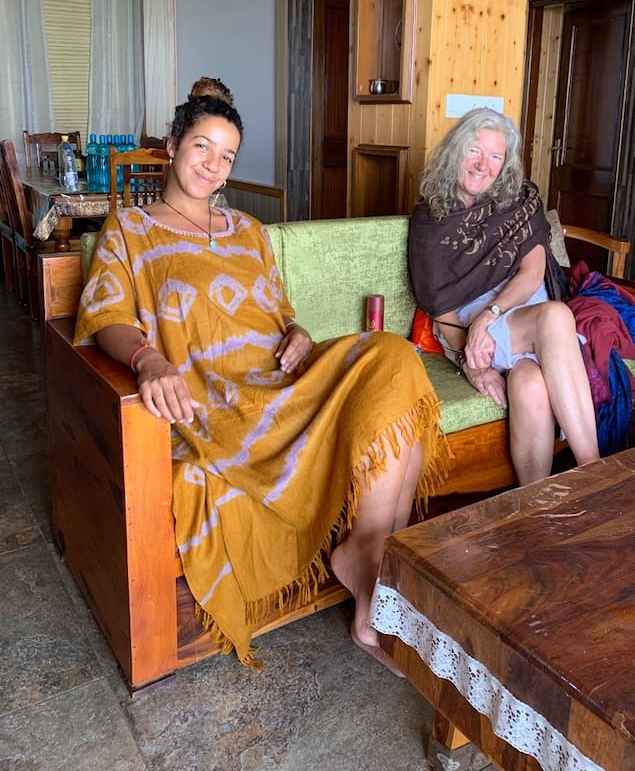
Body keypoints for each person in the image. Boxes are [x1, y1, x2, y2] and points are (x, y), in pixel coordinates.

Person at [75, 94, 448, 671]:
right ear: (172, 146)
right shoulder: (130, 230)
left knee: (394, 357)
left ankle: (364, 551)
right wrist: (148, 360)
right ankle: (371, 579)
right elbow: (108, 318)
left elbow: (278, 313)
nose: (213, 164)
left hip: (284, 377)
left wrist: (298, 332)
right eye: (202, 146)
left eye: (226, 156)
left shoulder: (249, 230)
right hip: (216, 395)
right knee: (388, 377)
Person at [409, 108, 599, 485]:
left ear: (505, 164)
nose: (483, 165)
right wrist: (471, 363)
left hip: (517, 316)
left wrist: (491, 314)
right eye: (474, 151)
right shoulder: (431, 218)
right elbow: (440, 306)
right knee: (556, 316)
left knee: (530, 384)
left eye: (495, 156)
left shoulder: (520, 203)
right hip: (472, 333)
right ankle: (595, 472)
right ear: (455, 152)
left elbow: (533, 274)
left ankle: (534, 504)